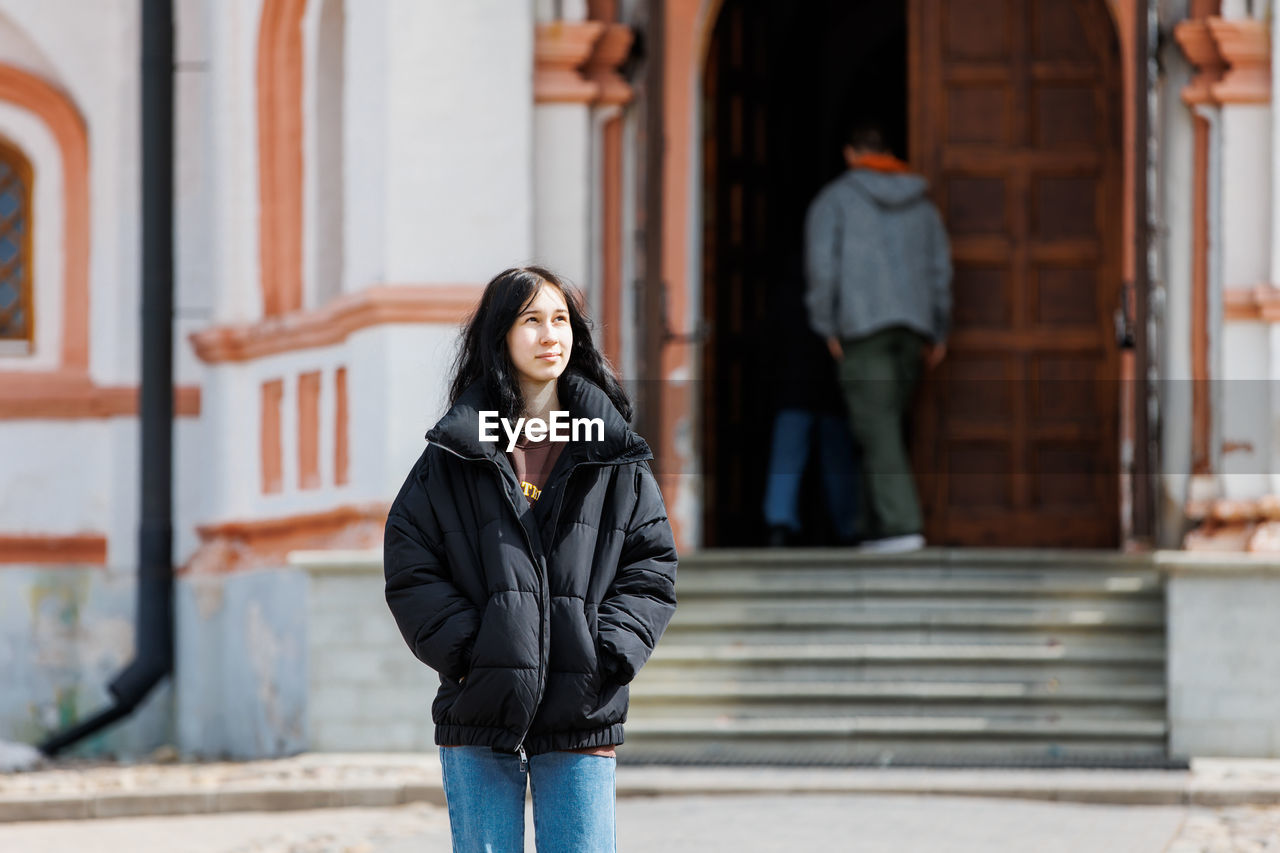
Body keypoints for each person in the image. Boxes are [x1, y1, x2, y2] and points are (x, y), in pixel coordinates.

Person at [383, 266, 678, 852]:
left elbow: (651, 564)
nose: (551, 335)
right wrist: (469, 653)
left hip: (582, 708)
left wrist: (610, 652)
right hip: (479, 707)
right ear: (500, 336)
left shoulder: (611, 452)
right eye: (531, 321)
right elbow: (410, 559)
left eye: (561, 320)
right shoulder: (456, 452)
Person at [804, 121, 952, 553]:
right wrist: (939, 327)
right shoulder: (923, 206)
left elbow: (822, 268)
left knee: (878, 427)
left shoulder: (836, 200)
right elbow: (940, 269)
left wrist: (826, 323)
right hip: (913, 330)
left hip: (862, 328)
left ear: (851, 153)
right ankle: (872, 527)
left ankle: (903, 527)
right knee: (882, 426)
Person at [762, 252, 861, 547]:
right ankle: (847, 528)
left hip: (794, 387)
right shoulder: (845, 291)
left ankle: (778, 527)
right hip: (832, 388)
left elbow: (771, 341)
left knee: (788, 459)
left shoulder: (787, 290)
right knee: (838, 462)